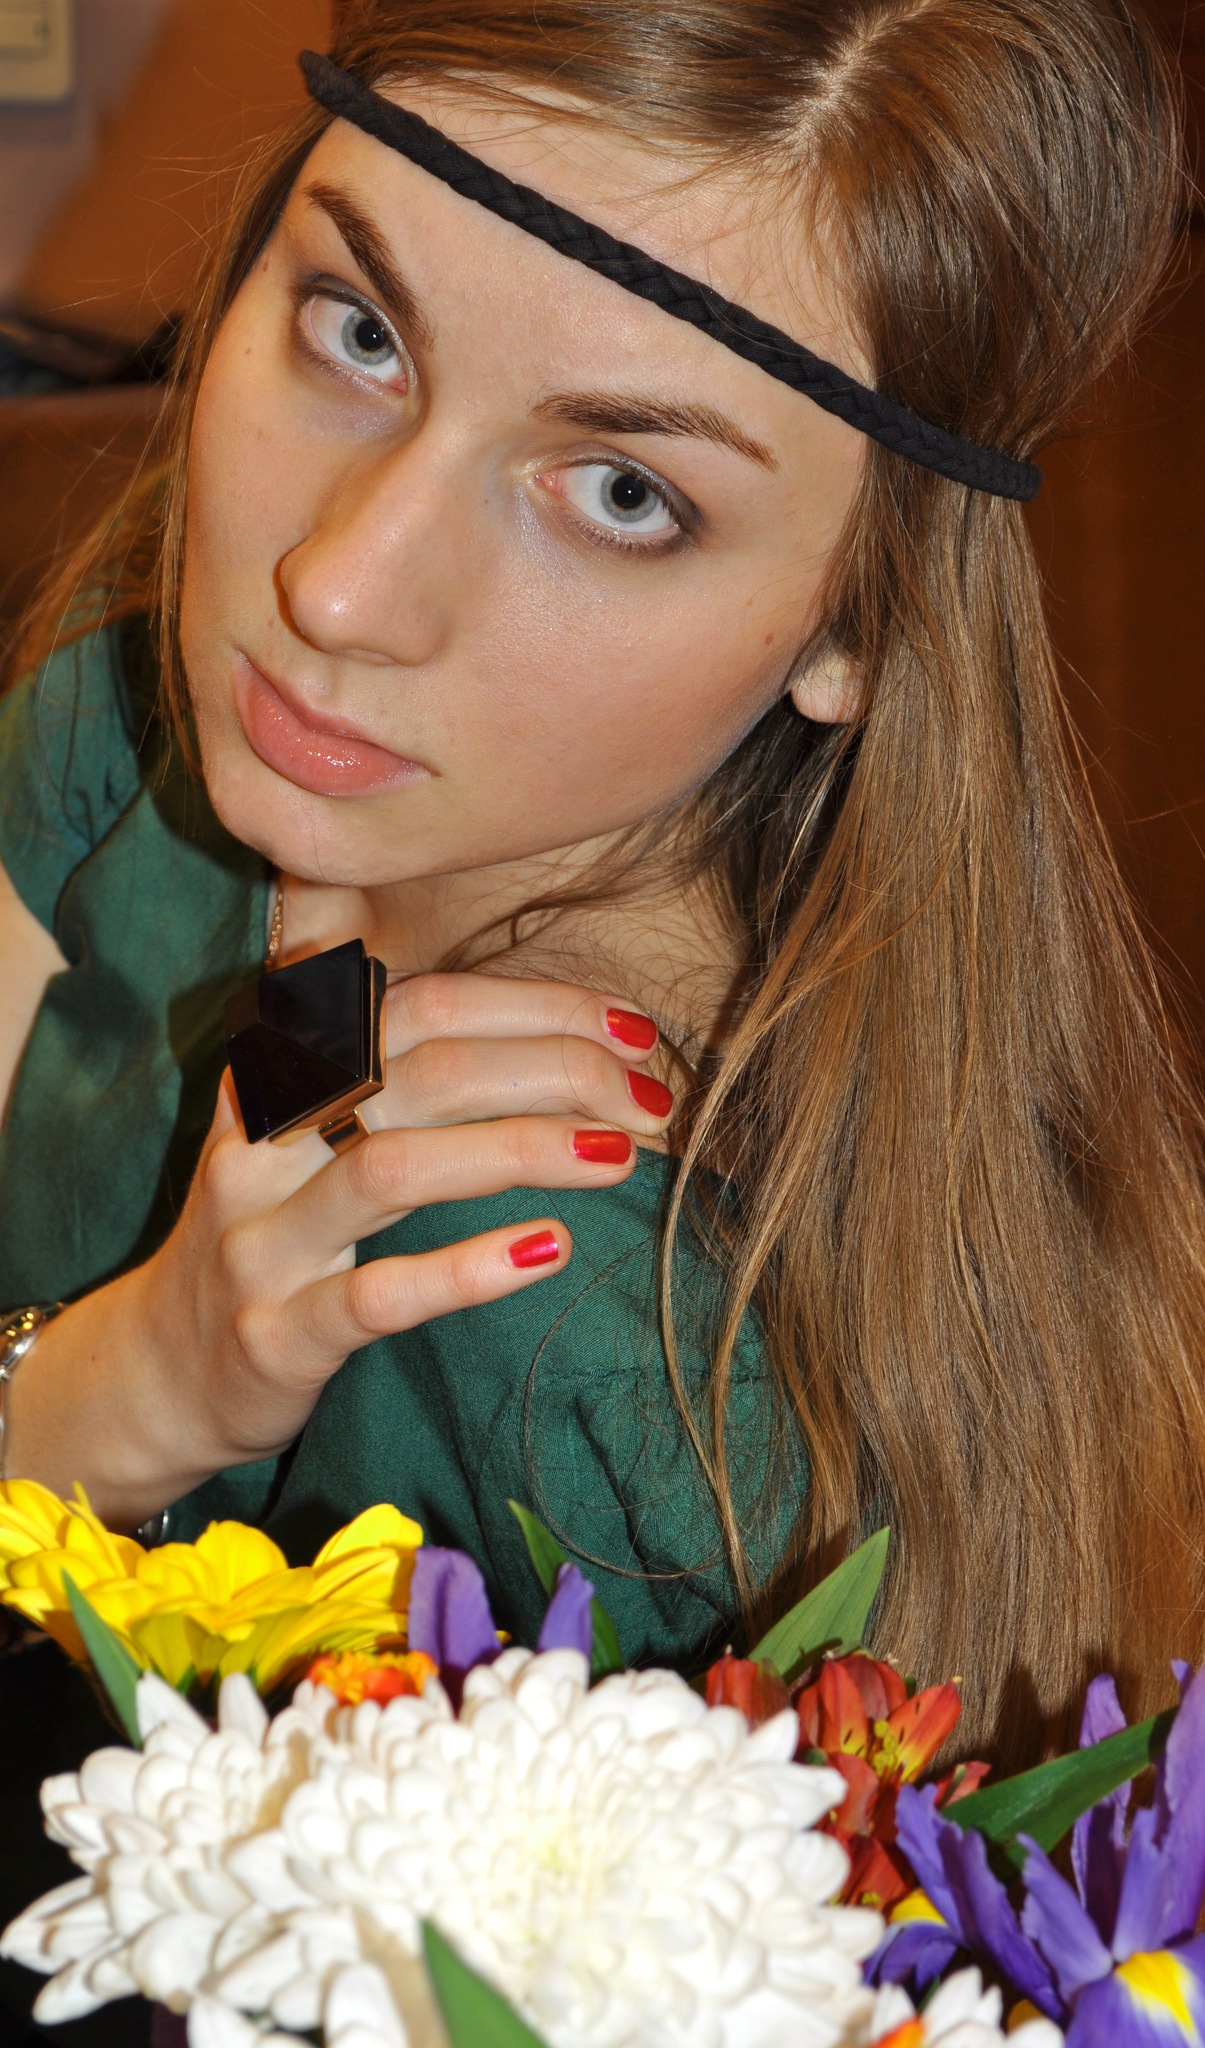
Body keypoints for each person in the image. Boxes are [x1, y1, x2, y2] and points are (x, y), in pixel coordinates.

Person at [1, 0, 1202, 1768]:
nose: (340, 588)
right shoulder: (141, 735)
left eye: (624, 493)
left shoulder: (633, 1383)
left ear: (863, 625)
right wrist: (117, 1395)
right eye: (358, 331)